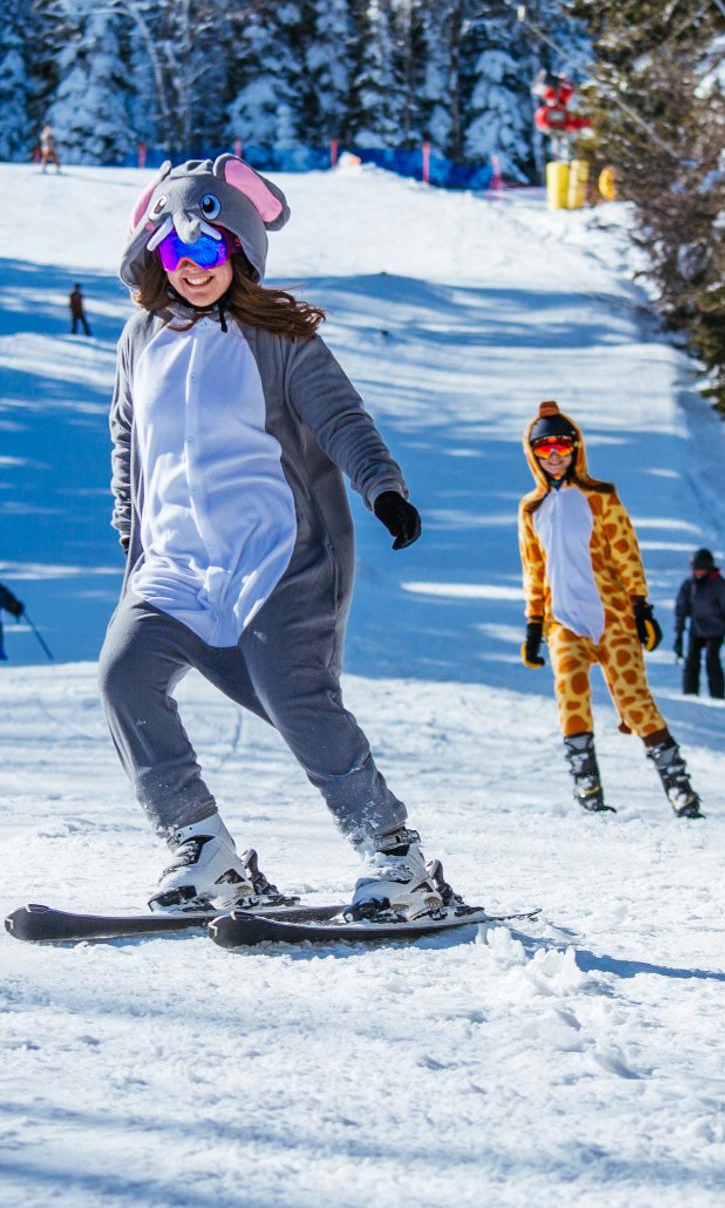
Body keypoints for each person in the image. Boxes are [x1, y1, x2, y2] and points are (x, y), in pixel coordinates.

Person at [101, 153, 459, 920]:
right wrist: (129, 520)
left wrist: (383, 488)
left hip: (274, 560)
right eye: (178, 252)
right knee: (123, 681)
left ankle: (397, 860)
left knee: (299, 702)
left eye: (210, 251)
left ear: (238, 251)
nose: (194, 268)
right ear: (156, 255)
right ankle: (203, 851)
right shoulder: (141, 338)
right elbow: (127, 436)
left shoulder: (281, 339)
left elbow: (341, 419)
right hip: (173, 566)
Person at [517, 402, 702, 818]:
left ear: (576, 449)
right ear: (533, 455)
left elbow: (626, 552)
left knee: (634, 699)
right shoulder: (531, 508)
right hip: (563, 619)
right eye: (544, 450)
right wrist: (533, 624)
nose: (554, 457)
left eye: (561, 448)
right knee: (570, 694)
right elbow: (534, 567)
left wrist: (641, 606)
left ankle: (678, 786)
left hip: (611, 614)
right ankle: (588, 787)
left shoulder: (600, 497)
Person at [675, 547, 725, 701]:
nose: (697, 573)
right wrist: (678, 634)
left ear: (708, 568)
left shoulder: (721, 586)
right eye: (695, 570)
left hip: (716, 630)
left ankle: (717, 696)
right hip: (696, 629)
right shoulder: (689, 585)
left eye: (701, 570)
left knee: (712, 661)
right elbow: (681, 609)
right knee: (691, 662)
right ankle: (689, 696)